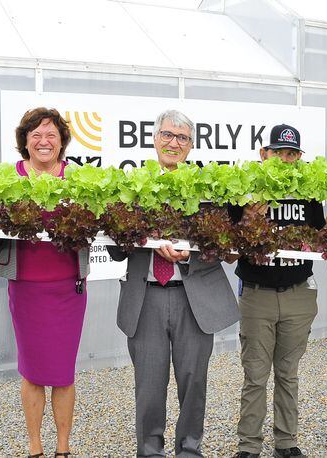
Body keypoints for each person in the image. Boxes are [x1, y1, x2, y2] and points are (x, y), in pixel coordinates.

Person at [106, 109, 240, 457]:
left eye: (182, 138)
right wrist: (141, 238)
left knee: (194, 383)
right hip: (146, 298)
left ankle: (189, 450)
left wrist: (191, 251)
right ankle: (150, 451)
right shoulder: (131, 186)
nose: (173, 143)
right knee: (149, 387)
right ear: (153, 139)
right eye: (167, 135)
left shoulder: (208, 188)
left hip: (194, 300)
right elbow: (116, 250)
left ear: (191, 146)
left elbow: (224, 244)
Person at [228, 125, 327, 458]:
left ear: (299, 158)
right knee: (255, 374)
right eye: (278, 152)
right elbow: (231, 245)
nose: (285, 159)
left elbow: (322, 242)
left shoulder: (307, 193)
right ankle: (248, 446)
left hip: (298, 294)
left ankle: (286, 443)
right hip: (257, 294)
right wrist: (250, 217)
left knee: (288, 373)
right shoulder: (246, 190)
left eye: (291, 153)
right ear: (264, 154)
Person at [0, 107, 90, 458]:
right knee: (32, 372)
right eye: (36, 135)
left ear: (62, 140)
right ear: (25, 141)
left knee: (64, 373)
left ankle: (63, 447)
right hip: (27, 287)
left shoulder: (80, 179)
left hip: (68, 288)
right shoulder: (9, 178)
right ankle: (35, 447)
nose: (44, 141)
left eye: (51, 134)